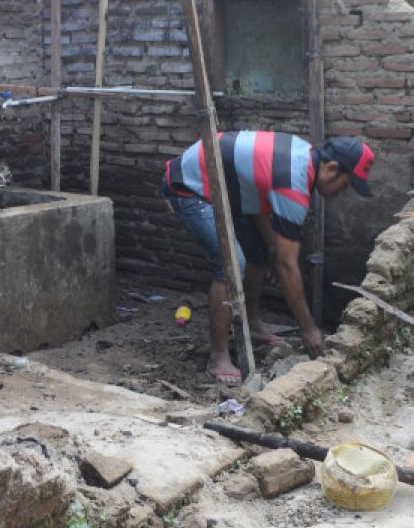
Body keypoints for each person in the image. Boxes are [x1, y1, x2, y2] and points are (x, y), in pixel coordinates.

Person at [161, 131, 376, 386]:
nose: (343, 191)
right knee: (233, 265)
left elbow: (258, 188)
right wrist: (308, 328)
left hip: (230, 187)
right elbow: (287, 266)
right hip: (189, 187)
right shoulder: (293, 184)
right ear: (331, 169)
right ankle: (218, 356)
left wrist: (271, 249)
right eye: (347, 183)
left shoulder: (303, 156)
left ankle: (251, 325)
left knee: (259, 253)